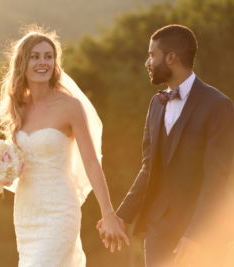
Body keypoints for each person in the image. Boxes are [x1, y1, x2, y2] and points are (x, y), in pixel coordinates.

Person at [0, 25, 129, 266]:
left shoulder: (70, 106)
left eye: (49, 56)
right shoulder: (18, 108)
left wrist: (108, 213)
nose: (43, 62)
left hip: (60, 210)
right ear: (23, 63)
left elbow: (92, 163)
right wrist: (2, 175)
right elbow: (19, 161)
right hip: (27, 211)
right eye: (35, 56)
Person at [98, 24, 234, 267]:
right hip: (158, 228)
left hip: (201, 234)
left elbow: (218, 179)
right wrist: (121, 216)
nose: (147, 62)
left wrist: (197, 235)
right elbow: (148, 167)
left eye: (152, 55)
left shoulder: (219, 106)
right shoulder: (156, 104)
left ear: (171, 57)